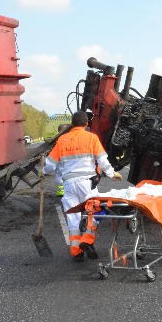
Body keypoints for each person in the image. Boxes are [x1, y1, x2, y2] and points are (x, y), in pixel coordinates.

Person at [43, 111, 122, 261]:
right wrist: (112, 174)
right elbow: (102, 160)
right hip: (87, 184)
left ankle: (76, 252)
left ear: (72, 124)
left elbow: (50, 165)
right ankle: (87, 239)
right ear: (86, 124)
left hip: (69, 185)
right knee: (97, 210)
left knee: (73, 218)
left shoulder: (62, 140)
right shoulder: (91, 138)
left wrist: (43, 171)